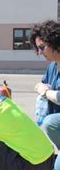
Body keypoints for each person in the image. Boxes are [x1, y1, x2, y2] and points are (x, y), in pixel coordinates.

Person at [29, 20, 60, 148]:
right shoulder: (52, 67)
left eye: (42, 47)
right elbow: (39, 86)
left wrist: (46, 92)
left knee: (50, 122)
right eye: (37, 48)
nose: (39, 52)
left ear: (55, 43)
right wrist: (44, 90)